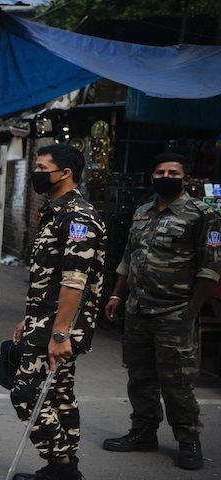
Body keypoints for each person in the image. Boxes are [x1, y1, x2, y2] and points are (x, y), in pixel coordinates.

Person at [102, 153, 220, 471]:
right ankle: (143, 432)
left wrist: (192, 308)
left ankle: (189, 441)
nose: (165, 176)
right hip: (138, 308)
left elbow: (210, 269)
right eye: (159, 171)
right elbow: (129, 257)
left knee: (177, 382)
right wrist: (116, 295)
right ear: (152, 177)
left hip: (175, 311)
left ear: (185, 179)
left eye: (172, 172)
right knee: (140, 377)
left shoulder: (201, 214)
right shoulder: (142, 212)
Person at [11, 144, 106, 480]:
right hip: (46, 319)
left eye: (41, 167)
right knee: (59, 395)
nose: (37, 172)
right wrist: (30, 316)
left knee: (24, 393)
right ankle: (64, 468)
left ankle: (62, 466)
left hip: (59, 325)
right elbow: (49, 279)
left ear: (65, 173)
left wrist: (60, 333)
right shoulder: (55, 212)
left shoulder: (79, 217)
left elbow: (74, 281)